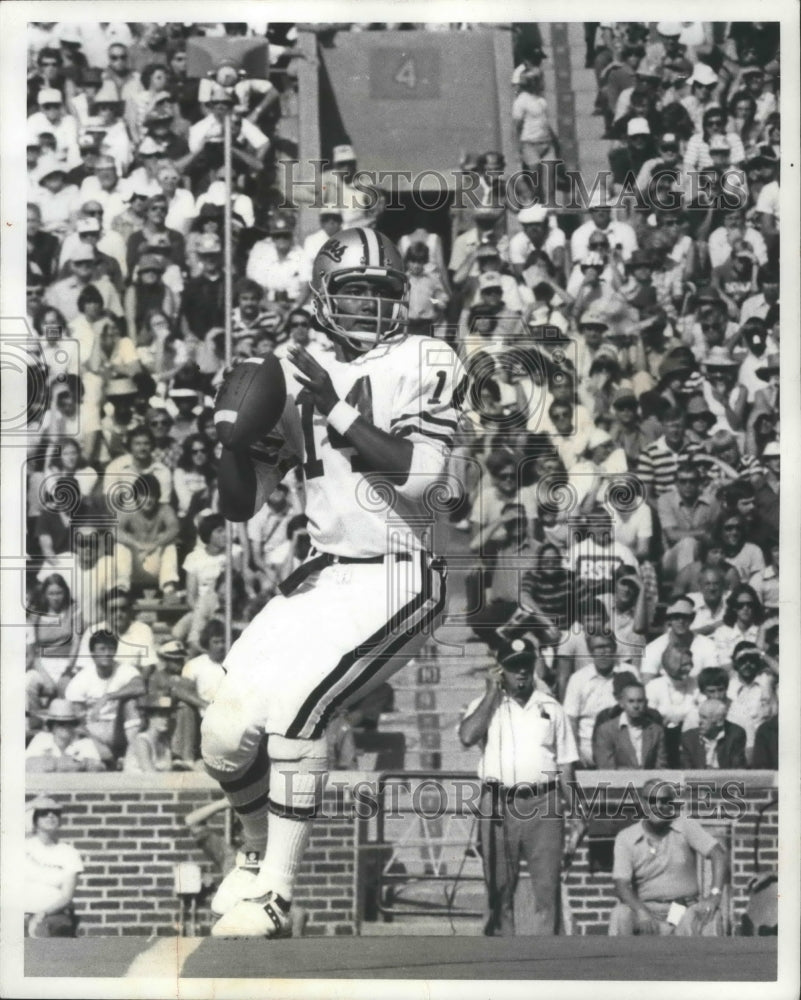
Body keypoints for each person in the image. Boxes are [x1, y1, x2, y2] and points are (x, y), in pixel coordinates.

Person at [203, 228, 459, 938]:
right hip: (322, 577)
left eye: (380, 290)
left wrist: (338, 408)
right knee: (223, 732)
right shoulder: (289, 367)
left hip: (399, 572)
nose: (368, 303)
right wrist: (225, 438)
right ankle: (256, 858)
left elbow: (419, 473)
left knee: (296, 714)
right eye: (353, 288)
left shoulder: (425, 357)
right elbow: (241, 503)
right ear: (322, 292)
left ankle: (278, 892)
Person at [458, 638, 578, 936]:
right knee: (499, 888)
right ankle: (503, 959)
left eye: (526, 665)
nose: (521, 673)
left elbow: (565, 765)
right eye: (513, 667)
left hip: (544, 800)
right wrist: (490, 695)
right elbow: (467, 736)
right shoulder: (484, 706)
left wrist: (576, 811)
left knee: (547, 888)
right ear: (501, 670)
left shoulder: (551, 707)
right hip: (498, 802)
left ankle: (545, 962)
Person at [609, 779, 728, 936]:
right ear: (642, 804)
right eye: (652, 801)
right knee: (620, 914)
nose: (658, 806)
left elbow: (718, 854)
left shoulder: (685, 825)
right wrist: (641, 911)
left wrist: (714, 895)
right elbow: (621, 885)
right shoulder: (626, 837)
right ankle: (617, 961)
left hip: (684, 910)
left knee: (710, 916)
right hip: (647, 911)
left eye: (664, 801)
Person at [64, 629, 145, 767]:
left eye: (111, 648)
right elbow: (78, 721)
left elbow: (140, 687)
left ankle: (133, 755)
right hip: (94, 729)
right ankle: (113, 758)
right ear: (93, 653)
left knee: (130, 702)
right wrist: (96, 743)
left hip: (120, 727)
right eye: (102, 649)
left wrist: (108, 696)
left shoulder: (124, 669)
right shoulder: (81, 679)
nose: (107, 653)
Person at [24, 796, 83, 938]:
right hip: (18, 913)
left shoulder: (69, 853)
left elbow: (66, 897)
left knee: (42, 933)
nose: (51, 815)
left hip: (54, 916)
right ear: (34, 819)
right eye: (44, 812)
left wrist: (41, 915)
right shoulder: (21, 848)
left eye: (55, 813)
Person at [593, 680, 667, 769]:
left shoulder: (656, 731)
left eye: (640, 701)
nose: (636, 705)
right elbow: (606, 768)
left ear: (646, 703)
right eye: (631, 701)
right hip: (619, 782)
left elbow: (661, 767)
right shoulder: (606, 730)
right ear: (621, 703)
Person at [26, 698, 104, 772]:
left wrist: (50, 762)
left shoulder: (85, 742)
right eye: (60, 723)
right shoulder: (41, 738)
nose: (65, 727)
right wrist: (79, 764)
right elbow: (27, 764)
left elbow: (97, 767)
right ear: (51, 726)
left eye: (70, 723)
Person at [680, 699, 747, 769]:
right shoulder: (688, 738)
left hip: (725, 778)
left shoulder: (735, 734)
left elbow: (738, 770)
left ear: (719, 722)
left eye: (704, 718)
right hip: (698, 779)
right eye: (700, 716)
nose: (699, 721)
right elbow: (686, 772)